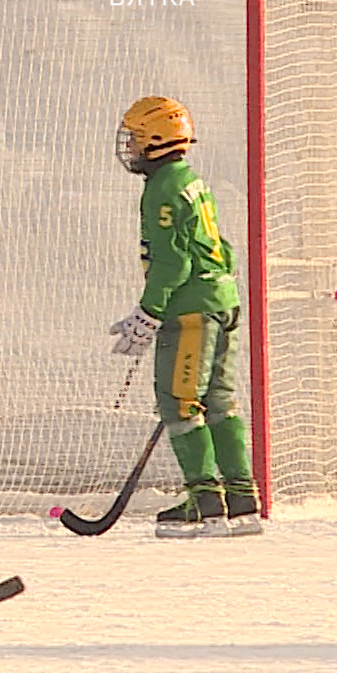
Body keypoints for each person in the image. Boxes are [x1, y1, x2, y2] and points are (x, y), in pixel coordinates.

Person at [109, 96, 261, 538]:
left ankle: (205, 500)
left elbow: (172, 263)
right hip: (221, 301)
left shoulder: (160, 189)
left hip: (191, 310)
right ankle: (240, 497)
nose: (131, 148)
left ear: (156, 140)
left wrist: (150, 312)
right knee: (218, 401)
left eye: (136, 138)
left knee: (180, 402)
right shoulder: (190, 178)